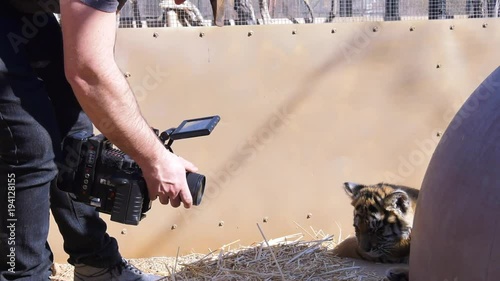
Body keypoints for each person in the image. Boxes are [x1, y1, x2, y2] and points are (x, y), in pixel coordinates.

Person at [0, 0, 194, 280]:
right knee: (30, 147)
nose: (179, 3)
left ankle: (96, 264)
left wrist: (130, 132)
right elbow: (88, 73)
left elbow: (95, 56)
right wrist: (155, 159)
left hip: (22, 12)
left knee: (76, 139)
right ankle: (22, 275)